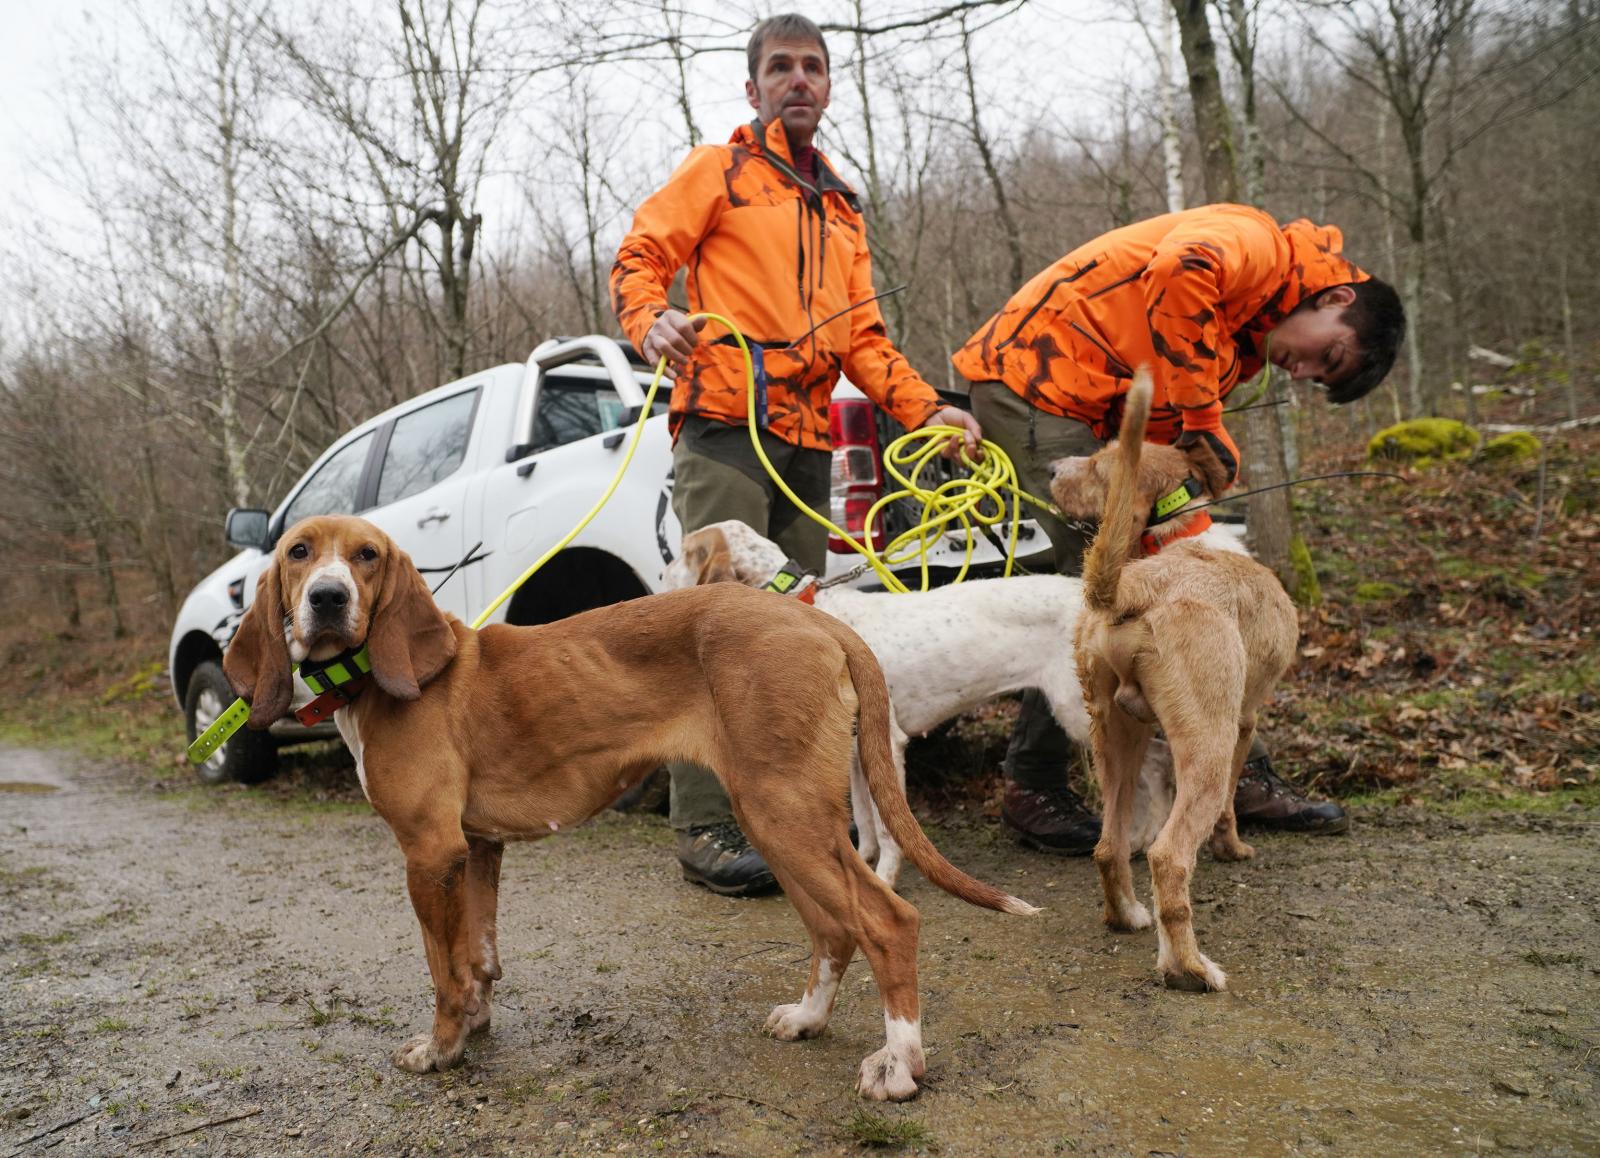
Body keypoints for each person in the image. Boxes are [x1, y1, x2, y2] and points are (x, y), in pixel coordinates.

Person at [610, 12, 982, 896]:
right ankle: (703, 827)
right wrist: (646, 317)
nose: (799, 80)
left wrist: (930, 412)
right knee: (712, 624)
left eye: (813, 67)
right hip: (723, 426)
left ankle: (790, 820)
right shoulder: (719, 171)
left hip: (809, 444)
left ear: (829, 84)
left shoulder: (841, 206)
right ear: (753, 88)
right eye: (781, 68)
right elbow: (641, 253)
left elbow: (866, 340)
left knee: (795, 640)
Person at [950, 203, 1406, 853]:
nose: (1298, 372)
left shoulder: (1245, 332)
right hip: (1037, 380)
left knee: (1184, 565)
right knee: (1095, 576)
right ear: (1331, 297)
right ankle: (1034, 783)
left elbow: (1165, 383)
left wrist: (1187, 478)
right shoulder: (1254, 244)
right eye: (1323, 356)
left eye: (1316, 378)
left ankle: (1227, 771)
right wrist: (1203, 418)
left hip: (1106, 401)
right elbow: (1177, 270)